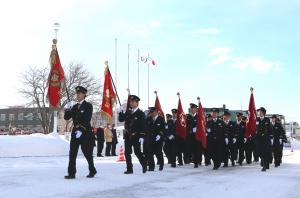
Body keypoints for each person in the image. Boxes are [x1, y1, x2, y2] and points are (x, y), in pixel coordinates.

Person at [64, 86, 97, 179]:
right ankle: (71, 173)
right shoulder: (74, 107)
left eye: (80, 93)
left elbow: (87, 119)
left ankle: (92, 170)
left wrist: (81, 130)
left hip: (85, 132)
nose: (78, 95)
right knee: (72, 153)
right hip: (75, 132)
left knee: (87, 153)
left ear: (84, 95)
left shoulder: (88, 105)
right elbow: (66, 117)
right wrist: (68, 108)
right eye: (77, 93)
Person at [118, 95, 147, 174]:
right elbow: (121, 119)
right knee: (127, 153)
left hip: (136, 136)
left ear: (137, 103)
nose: (131, 103)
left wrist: (142, 136)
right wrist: (120, 112)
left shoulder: (140, 113)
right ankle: (129, 169)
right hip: (128, 135)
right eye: (130, 102)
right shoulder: (128, 112)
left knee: (137, 152)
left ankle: (144, 164)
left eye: (133, 102)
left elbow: (143, 125)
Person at [146, 107, 165, 171]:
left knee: (158, 152)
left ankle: (161, 164)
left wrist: (160, 135)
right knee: (150, 153)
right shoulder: (148, 119)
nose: (151, 113)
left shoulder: (161, 119)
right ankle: (151, 167)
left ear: (156, 112)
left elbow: (163, 128)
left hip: (158, 139)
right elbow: (145, 127)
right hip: (150, 139)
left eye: (152, 112)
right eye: (150, 112)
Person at [256, 107, 273, 172]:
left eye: (260, 112)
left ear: (263, 113)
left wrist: (271, 137)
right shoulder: (257, 119)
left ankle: (265, 165)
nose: (259, 113)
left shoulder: (267, 120)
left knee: (265, 152)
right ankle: (263, 161)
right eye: (259, 112)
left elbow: (270, 129)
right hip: (258, 138)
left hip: (265, 138)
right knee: (259, 151)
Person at [186, 103, 202, 168]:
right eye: (191, 108)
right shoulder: (188, 117)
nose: (192, 109)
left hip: (197, 136)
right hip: (190, 136)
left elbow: (202, 125)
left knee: (197, 149)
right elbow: (186, 126)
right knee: (191, 149)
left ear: (196, 109)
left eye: (193, 108)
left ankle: (197, 162)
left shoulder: (199, 116)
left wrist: (197, 129)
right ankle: (193, 160)